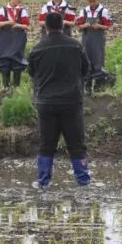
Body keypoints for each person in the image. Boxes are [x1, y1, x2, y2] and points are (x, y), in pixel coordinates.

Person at [29, 11, 91, 188]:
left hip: (46, 103)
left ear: (46, 27)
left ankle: (43, 182)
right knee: (76, 143)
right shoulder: (75, 46)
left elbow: (32, 73)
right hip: (71, 101)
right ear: (63, 26)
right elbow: (85, 69)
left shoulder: (37, 49)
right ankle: (83, 182)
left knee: (46, 144)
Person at [75, 0, 113, 94]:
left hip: (98, 40)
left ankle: (98, 86)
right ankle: (86, 86)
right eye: (90, 1)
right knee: (86, 60)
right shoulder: (84, 11)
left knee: (98, 59)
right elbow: (79, 26)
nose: (92, 3)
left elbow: (109, 26)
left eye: (94, 1)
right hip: (86, 40)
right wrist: (85, 25)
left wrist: (99, 26)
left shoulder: (103, 11)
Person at [0, 0, 31, 92]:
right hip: (4, 38)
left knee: (17, 60)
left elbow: (26, 26)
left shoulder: (22, 11)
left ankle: (16, 87)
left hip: (18, 38)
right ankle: (6, 86)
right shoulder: (2, 10)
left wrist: (17, 25)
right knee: (4, 60)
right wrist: (9, 22)